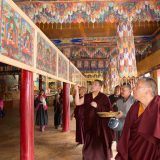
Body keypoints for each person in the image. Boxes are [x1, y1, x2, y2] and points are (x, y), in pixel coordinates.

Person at [115, 77, 160, 160]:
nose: (133, 89)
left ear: (148, 90)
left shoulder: (158, 106)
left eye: (137, 86)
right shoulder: (134, 108)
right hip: (134, 153)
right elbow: (126, 133)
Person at [75, 80, 113, 160]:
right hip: (89, 123)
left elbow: (109, 110)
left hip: (100, 125)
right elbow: (77, 103)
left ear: (100, 87)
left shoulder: (104, 97)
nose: (92, 85)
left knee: (99, 144)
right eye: (92, 84)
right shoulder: (87, 96)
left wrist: (98, 106)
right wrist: (76, 90)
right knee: (88, 144)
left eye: (95, 84)